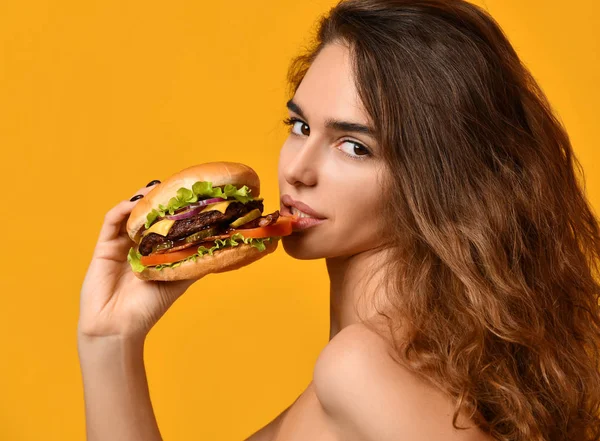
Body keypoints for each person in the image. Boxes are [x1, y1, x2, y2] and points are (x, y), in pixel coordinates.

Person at [77, 1, 600, 440]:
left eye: (355, 146)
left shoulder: (361, 366)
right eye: (300, 125)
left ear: (445, 178)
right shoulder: (386, 364)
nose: (297, 170)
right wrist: (110, 339)